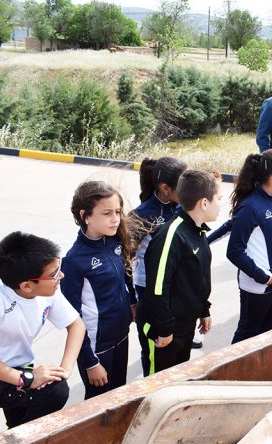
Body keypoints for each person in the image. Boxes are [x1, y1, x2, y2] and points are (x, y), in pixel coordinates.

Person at [0, 232, 85, 429]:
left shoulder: (48, 290)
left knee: (44, 393)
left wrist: (65, 370)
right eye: (54, 274)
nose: (60, 276)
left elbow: (76, 325)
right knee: (56, 391)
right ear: (27, 286)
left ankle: (19, 442)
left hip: (20, 366)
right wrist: (27, 378)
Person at [136, 169, 220, 375]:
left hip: (184, 325)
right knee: (157, 383)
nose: (221, 204)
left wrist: (203, 310)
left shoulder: (196, 230)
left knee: (177, 378)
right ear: (204, 203)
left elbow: (197, 278)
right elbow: (157, 287)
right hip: (165, 330)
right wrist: (164, 329)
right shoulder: (172, 235)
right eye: (218, 198)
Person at [61, 181, 137, 399]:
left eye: (117, 212)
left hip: (121, 336)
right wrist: (89, 362)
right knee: (99, 406)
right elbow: (71, 318)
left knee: (118, 397)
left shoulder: (115, 242)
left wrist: (132, 304)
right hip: (97, 348)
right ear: (85, 216)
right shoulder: (75, 261)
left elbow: (126, 278)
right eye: (107, 213)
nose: (115, 218)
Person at [226, 151, 272, 343]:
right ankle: (233, 374)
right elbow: (234, 251)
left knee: (268, 334)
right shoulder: (250, 207)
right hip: (259, 286)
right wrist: (263, 276)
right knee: (247, 337)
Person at [131, 157, 202, 350]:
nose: (189, 187)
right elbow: (126, 261)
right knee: (157, 341)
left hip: (178, 280)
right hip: (150, 285)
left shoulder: (182, 207)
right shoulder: (142, 216)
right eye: (183, 183)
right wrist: (132, 301)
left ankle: (182, 334)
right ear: (165, 188)